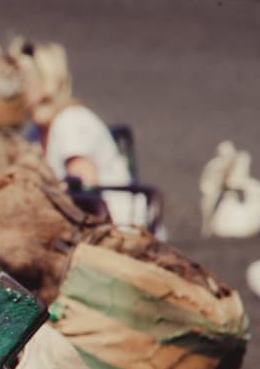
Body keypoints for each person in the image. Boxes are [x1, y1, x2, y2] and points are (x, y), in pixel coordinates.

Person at [19, 40, 160, 235]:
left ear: (45, 81)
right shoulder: (35, 134)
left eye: (22, 80)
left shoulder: (70, 122)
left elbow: (86, 190)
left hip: (117, 230)